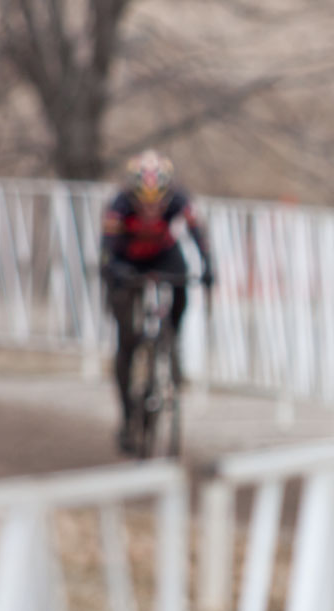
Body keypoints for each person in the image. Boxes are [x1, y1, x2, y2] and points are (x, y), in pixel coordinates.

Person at [100, 149, 215, 454]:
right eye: (144, 202)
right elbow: (107, 249)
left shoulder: (179, 199)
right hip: (127, 259)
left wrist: (207, 268)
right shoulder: (119, 205)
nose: (151, 208)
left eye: (157, 202)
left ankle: (170, 338)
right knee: (126, 336)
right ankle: (127, 413)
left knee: (182, 286)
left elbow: (198, 234)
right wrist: (114, 271)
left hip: (164, 255)